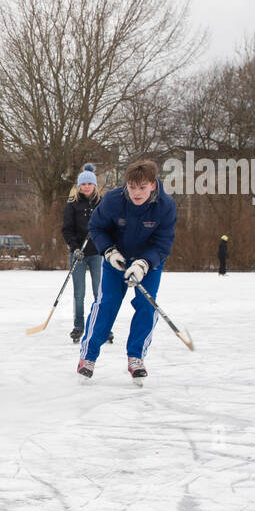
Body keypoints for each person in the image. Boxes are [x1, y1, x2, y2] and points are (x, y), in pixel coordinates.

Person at [77, 159, 177, 385]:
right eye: (132, 187)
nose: (136, 193)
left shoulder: (165, 205)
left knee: (146, 305)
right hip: (117, 260)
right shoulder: (114, 200)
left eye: (142, 188)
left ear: (153, 185)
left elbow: (163, 244)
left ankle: (136, 357)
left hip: (149, 264)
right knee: (107, 303)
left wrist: (143, 264)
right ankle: (88, 356)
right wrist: (109, 251)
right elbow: (97, 227)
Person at [62, 163, 106, 344]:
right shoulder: (72, 205)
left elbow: (108, 227)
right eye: (83, 184)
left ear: (94, 185)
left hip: (97, 253)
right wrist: (74, 247)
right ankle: (78, 326)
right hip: (78, 254)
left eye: (89, 184)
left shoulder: (102, 204)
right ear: (79, 186)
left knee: (100, 292)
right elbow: (67, 229)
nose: (86, 187)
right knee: (79, 293)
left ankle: (103, 326)